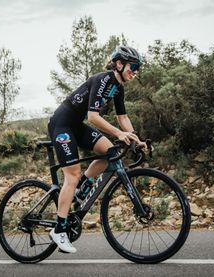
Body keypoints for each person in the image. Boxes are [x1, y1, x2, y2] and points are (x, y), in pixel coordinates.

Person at [48, 46, 147, 253]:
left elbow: (123, 118)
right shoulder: (104, 79)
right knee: (72, 175)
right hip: (62, 124)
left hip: (76, 125)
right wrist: (119, 134)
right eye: (133, 66)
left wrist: (136, 139)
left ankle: (82, 187)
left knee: (110, 151)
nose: (135, 71)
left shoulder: (119, 88)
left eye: (138, 68)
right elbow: (93, 116)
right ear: (119, 64)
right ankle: (59, 229)